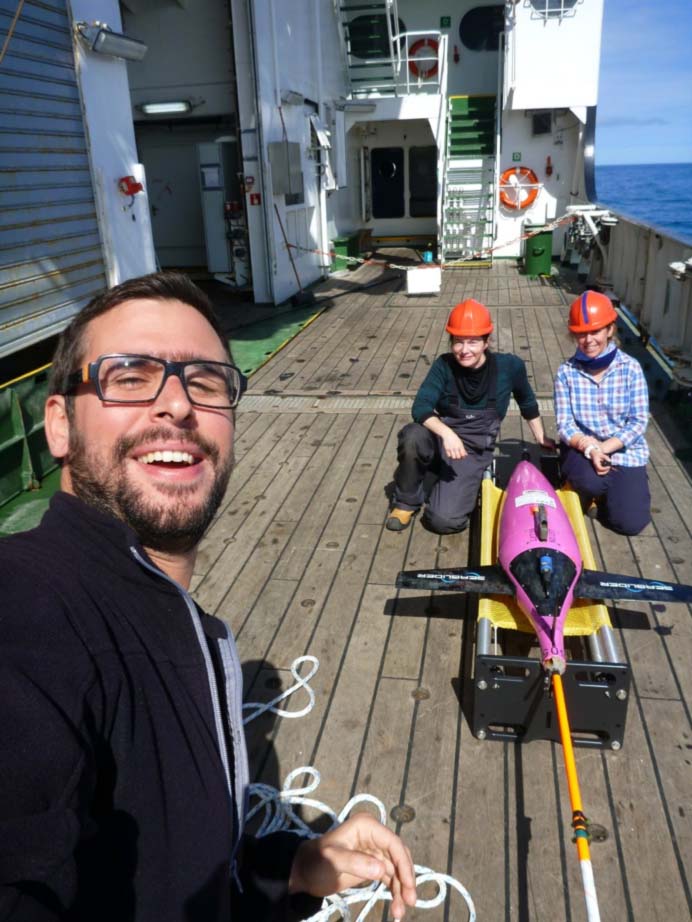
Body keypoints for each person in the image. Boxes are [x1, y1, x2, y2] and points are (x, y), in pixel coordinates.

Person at [0, 272, 417, 922]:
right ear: (59, 425)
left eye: (206, 382)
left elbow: (179, 864)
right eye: (130, 377)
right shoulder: (28, 607)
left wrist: (294, 869)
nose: (177, 405)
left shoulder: (195, 628)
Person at [386, 299, 554, 533]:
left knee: (443, 521)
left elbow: (527, 402)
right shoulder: (443, 366)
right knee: (412, 435)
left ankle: (449, 484)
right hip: (441, 440)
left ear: (487, 341)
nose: (464, 350)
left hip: (472, 452)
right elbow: (421, 407)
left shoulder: (510, 367)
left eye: (473, 342)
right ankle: (405, 501)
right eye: (458, 342)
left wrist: (541, 437)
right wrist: (447, 434)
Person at [554, 289, 651, 535]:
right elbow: (565, 425)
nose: (588, 340)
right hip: (582, 450)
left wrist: (604, 449)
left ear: (610, 329)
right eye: (580, 333)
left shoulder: (631, 368)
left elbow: (638, 422)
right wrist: (591, 449)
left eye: (595, 331)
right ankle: (587, 487)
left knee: (629, 524)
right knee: (590, 481)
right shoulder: (566, 372)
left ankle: (614, 491)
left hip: (623, 451)